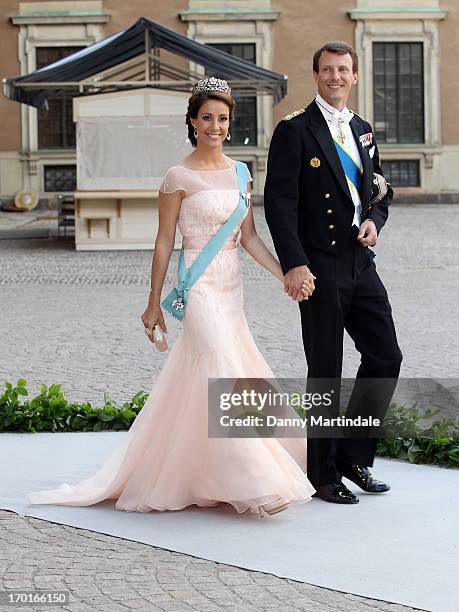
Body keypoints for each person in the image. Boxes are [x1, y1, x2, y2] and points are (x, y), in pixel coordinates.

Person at [28, 77, 315, 517]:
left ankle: (201, 471)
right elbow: (164, 242)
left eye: (222, 118)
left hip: (231, 283)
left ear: (230, 123)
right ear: (192, 122)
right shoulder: (177, 176)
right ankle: (256, 482)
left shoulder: (241, 173)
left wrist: (285, 275)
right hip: (196, 284)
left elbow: (251, 237)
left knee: (220, 370)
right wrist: (153, 301)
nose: (215, 126)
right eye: (207, 118)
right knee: (221, 365)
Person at [264, 42, 403, 505]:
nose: (336, 77)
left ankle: (353, 457)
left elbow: (378, 191)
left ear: (355, 76)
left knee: (385, 355)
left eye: (344, 70)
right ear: (316, 75)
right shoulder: (295, 130)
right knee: (326, 368)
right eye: (328, 70)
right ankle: (322, 474)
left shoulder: (362, 130)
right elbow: (280, 204)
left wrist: (373, 222)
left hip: (360, 262)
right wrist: (294, 262)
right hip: (318, 264)